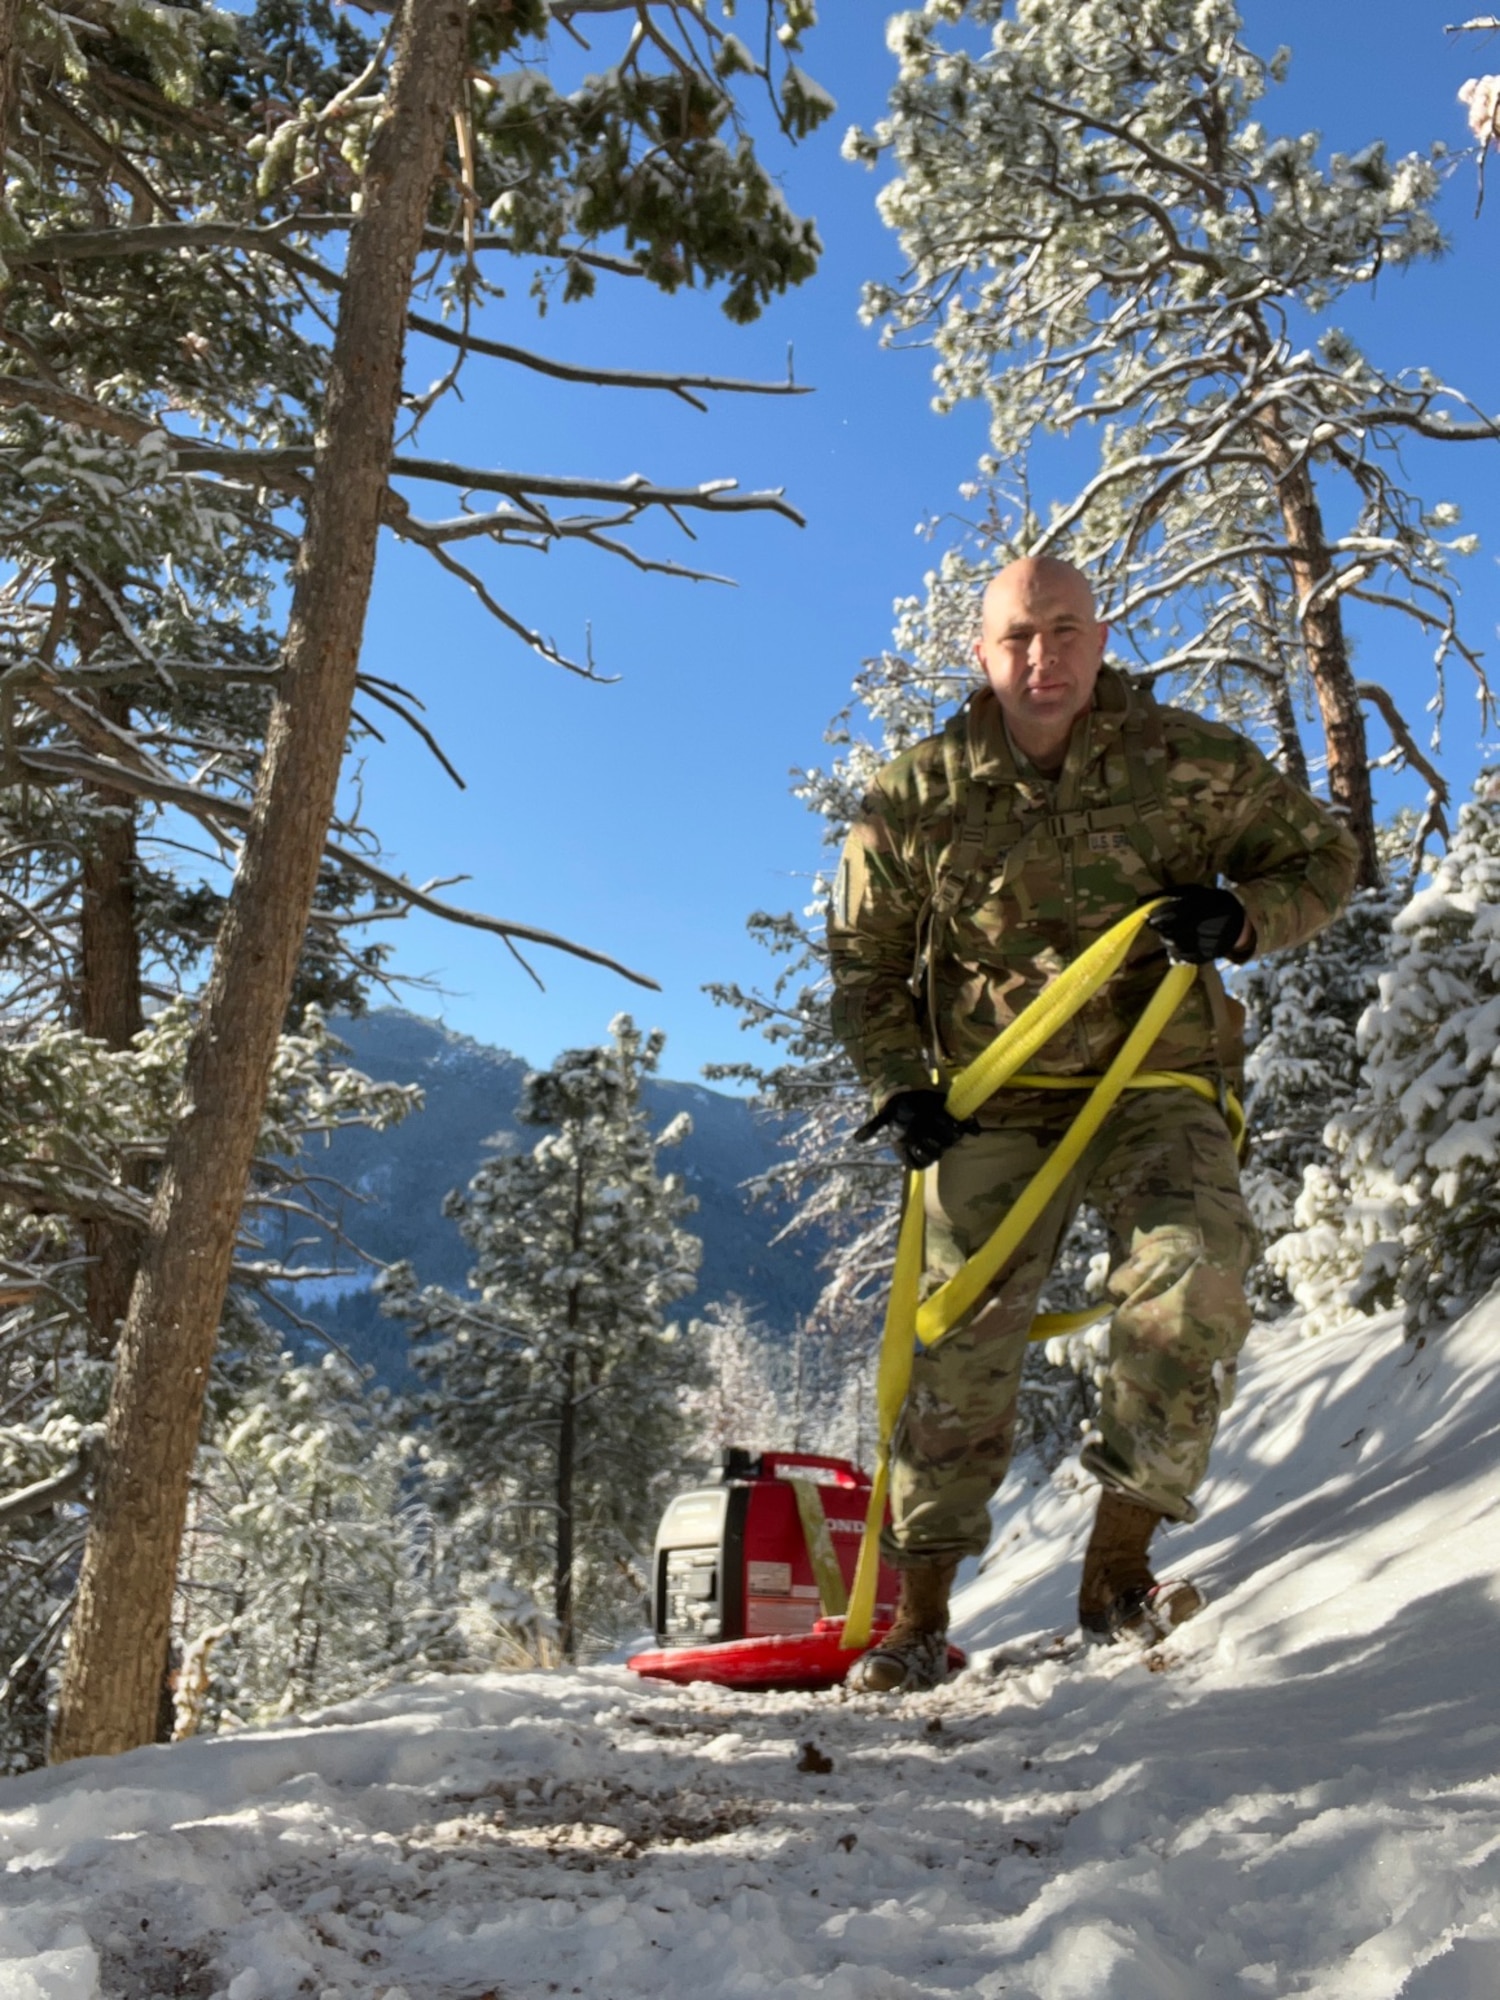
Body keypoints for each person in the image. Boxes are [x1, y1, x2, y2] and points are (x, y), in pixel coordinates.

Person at [827, 556, 1359, 1693]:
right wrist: (898, 1080)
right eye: (1019, 635)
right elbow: (864, 962)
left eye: (1065, 630)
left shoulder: (1188, 762)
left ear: (1100, 637)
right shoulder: (915, 794)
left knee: (1196, 1270)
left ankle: (1118, 1570)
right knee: (956, 1333)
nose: (1043, 657)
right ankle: (919, 1618)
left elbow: (1325, 857)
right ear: (981, 652)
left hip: (1153, 1082)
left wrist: (1245, 913)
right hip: (994, 1096)